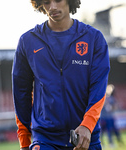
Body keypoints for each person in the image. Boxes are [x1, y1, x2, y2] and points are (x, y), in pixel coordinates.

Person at [12, 0, 110, 149]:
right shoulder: (27, 41)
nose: (52, 7)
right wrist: (25, 141)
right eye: (46, 2)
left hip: (85, 137)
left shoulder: (94, 38)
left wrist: (87, 126)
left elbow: (98, 88)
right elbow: (21, 94)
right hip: (45, 140)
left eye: (58, 0)